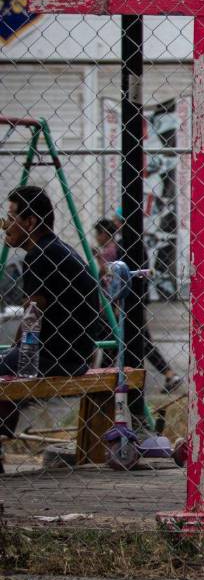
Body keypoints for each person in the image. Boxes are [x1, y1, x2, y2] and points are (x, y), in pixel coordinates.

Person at [0, 187, 106, 466]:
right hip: (77, 355)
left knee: (6, 366)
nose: (5, 225)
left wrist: (18, 358)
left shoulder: (38, 256)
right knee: (7, 364)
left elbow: (32, 316)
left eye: (11, 217)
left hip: (54, 357)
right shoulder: (57, 248)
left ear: (30, 222)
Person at [92, 217, 182, 393]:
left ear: (104, 233)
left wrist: (117, 305)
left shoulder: (116, 249)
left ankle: (102, 383)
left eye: (98, 234)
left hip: (121, 305)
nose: (96, 238)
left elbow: (113, 279)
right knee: (127, 341)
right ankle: (168, 374)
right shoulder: (124, 246)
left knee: (123, 341)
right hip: (127, 304)